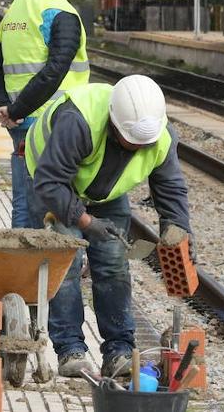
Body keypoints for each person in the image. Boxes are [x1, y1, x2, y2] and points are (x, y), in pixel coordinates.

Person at [26, 75, 193, 379]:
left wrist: (177, 227)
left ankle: (118, 351)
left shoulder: (160, 134)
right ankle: (70, 350)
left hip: (104, 191)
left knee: (114, 264)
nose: (139, 148)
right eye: (132, 142)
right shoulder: (79, 121)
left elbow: (170, 186)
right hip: (52, 182)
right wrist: (87, 222)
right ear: (115, 125)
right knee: (67, 263)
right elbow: (49, 183)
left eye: (145, 143)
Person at [0, 0, 89, 229]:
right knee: (62, 206)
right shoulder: (61, 12)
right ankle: (62, 271)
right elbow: (54, 71)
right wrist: (15, 110)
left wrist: (5, 108)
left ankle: (23, 271)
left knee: (25, 205)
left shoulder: (17, 7)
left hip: (22, 126)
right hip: (58, 126)